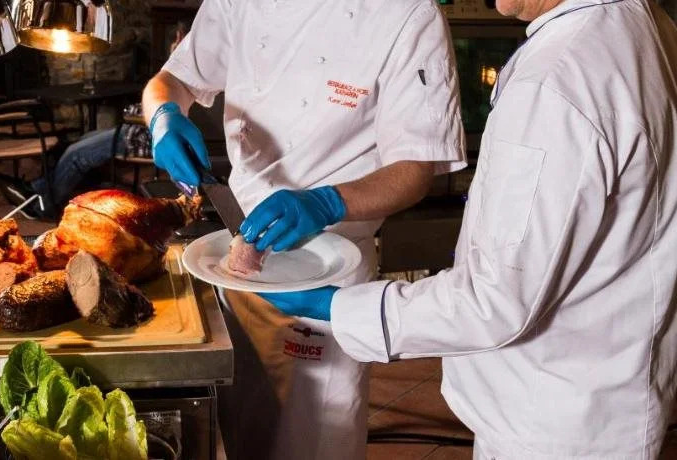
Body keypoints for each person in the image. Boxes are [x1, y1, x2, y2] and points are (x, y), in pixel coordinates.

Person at [259, 0, 677, 458]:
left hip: (550, 423)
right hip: (610, 398)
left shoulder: (556, 83)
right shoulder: (644, 25)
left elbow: (494, 300)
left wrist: (338, 307)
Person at [142, 0, 466, 458]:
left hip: (328, 273)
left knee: (313, 442)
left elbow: (415, 169)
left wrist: (328, 201)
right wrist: (163, 116)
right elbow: (171, 82)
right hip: (236, 261)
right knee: (233, 433)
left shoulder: (408, 14)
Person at [0, 108, 151, 218]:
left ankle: (42, 207)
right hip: (133, 127)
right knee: (80, 141)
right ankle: (36, 188)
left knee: (76, 154)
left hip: (142, 135)